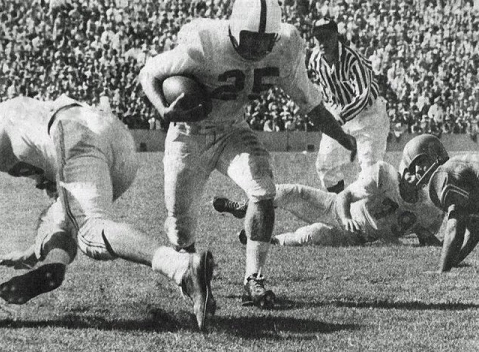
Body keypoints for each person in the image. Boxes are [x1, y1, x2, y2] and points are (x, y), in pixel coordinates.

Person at [139, 0, 356, 309]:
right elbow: (149, 73)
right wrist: (164, 109)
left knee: (263, 189)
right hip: (189, 134)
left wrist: (341, 136)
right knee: (180, 221)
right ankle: (190, 274)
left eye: (266, 39)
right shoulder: (205, 42)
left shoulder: (286, 45)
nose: (258, 46)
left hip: (232, 129)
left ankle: (254, 278)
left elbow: (310, 104)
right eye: (251, 37)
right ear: (233, 29)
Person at [0, 95, 215, 330]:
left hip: (71, 130)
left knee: (91, 229)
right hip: (112, 133)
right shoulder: (19, 116)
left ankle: (180, 267)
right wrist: (35, 251)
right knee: (65, 212)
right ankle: (53, 263)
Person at [213, 160, 444, 247]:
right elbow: (345, 196)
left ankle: (272, 240)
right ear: (408, 164)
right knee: (291, 192)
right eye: (418, 169)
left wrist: (431, 238)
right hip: (335, 207)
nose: (420, 177)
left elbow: (425, 234)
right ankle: (244, 207)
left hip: (357, 236)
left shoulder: (429, 209)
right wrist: (345, 218)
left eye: (427, 173)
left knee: (313, 235)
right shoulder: (384, 175)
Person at [308, 18, 390, 194]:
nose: (322, 42)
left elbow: (363, 95)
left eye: (327, 37)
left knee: (370, 174)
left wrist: (339, 118)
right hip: (338, 112)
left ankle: (368, 215)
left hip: (368, 116)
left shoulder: (352, 59)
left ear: (336, 36)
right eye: (318, 38)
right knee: (325, 166)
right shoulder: (314, 59)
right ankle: (340, 210)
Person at [399, 134, 479, 273]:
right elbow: (475, 229)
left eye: (421, 162)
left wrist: (443, 270)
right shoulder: (457, 165)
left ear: (435, 156)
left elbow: (455, 226)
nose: (418, 170)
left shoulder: (446, 174)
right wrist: (456, 259)